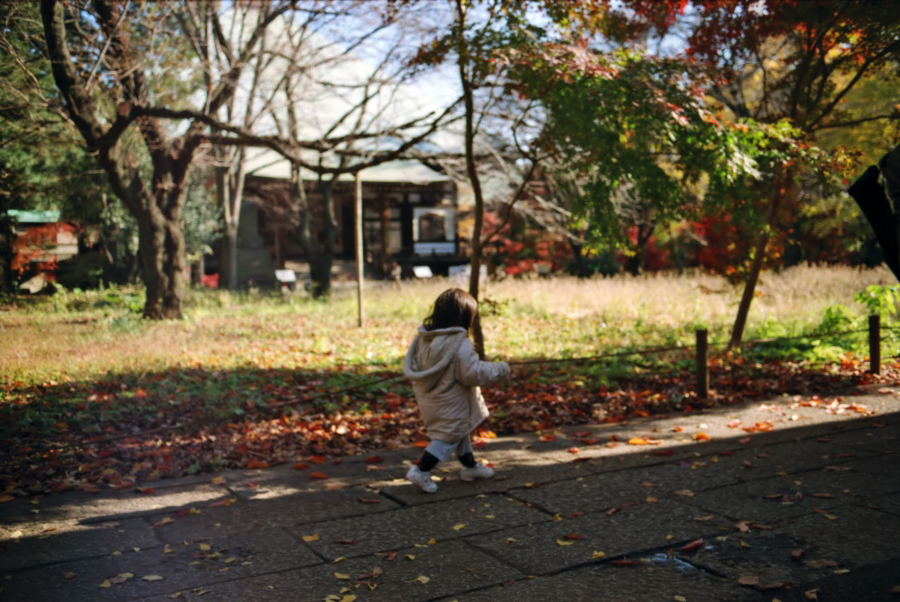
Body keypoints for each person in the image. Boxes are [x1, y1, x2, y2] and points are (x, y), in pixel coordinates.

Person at [402, 288, 511, 492]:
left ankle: (469, 466)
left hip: (433, 398)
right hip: (452, 400)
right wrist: (500, 370)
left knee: (459, 431)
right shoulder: (459, 344)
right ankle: (421, 470)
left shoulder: (425, 339)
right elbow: (471, 373)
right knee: (447, 436)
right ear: (465, 319)